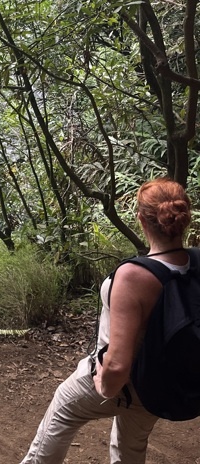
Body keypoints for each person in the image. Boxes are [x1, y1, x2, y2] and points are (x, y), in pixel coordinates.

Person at [18, 177, 193, 464]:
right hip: (160, 383)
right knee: (130, 449)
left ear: (142, 220)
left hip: (123, 382)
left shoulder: (134, 276)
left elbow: (118, 364)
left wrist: (104, 384)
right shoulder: (195, 264)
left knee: (64, 407)